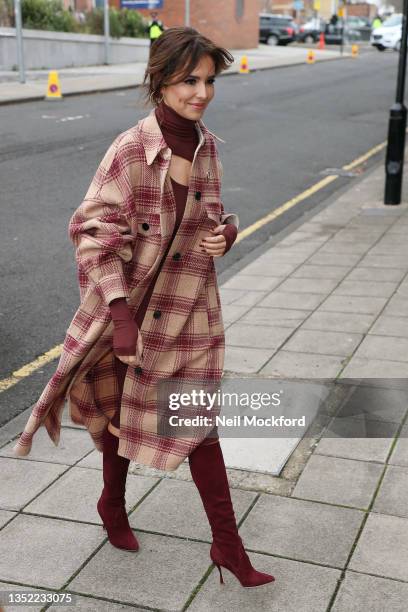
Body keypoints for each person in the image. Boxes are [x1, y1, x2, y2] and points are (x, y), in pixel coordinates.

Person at [13, 27, 275, 589]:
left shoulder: (206, 147)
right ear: (160, 80)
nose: (201, 92)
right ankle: (113, 502)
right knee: (118, 415)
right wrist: (123, 318)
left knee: (199, 425)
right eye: (189, 81)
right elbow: (91, 233)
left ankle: (228, 548)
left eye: (209, 81)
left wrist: (226, 235)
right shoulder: (131, 150)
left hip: (186, 313)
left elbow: (209, 217)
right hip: (124, 315)